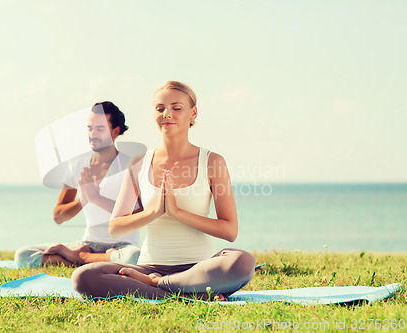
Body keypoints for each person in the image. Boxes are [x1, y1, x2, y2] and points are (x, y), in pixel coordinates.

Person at [72, 82, 255, 299]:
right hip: (148, 266)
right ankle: (187, 294)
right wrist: (154, 212)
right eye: (160, 109)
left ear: (193, 113)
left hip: (199, 269)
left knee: (243, 262)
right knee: (83, 277)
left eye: (176, 108)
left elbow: (229, 231)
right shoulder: (140, 162)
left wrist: (177, 212)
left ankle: (160, 286)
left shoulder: (212, 161)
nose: (167, 114)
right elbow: (115, 228)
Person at [15, 102, 140, 268]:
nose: (93, 134)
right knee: (23, 256)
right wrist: (84, 200)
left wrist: (97, 198)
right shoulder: (77, 165)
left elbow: (137, 215)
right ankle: (87, 258)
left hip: (122, 247)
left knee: (134, 258)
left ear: (115, 132)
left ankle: (78, 259)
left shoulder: (130, 165)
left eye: (100, 129)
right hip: (88, 244)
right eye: (90, 128)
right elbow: (58, 216)